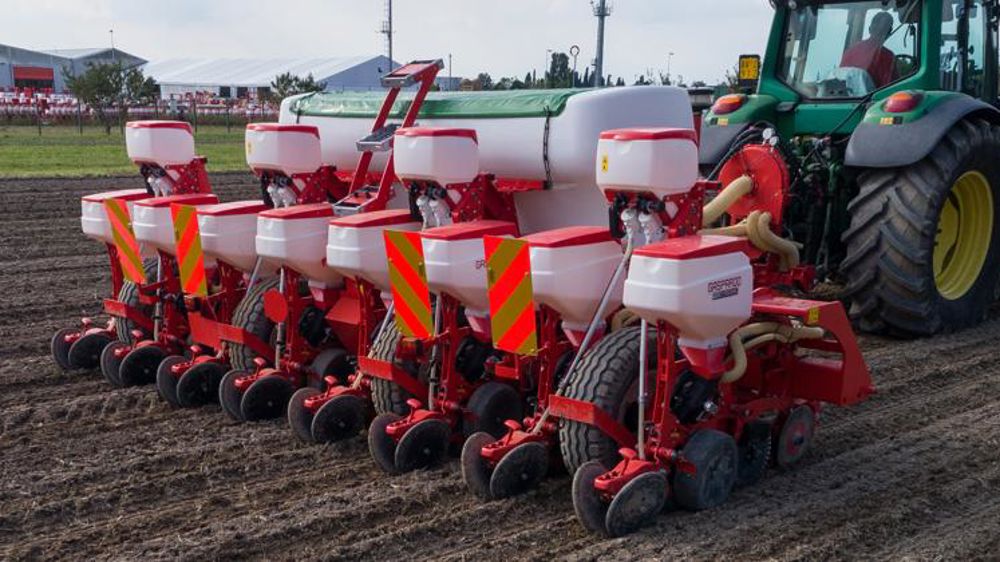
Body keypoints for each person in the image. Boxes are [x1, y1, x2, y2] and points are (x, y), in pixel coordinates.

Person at [840, 11, 897, 87]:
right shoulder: (887, 56)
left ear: (869, 29)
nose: (880, 34)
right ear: (889, 33)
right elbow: (891, 87)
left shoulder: (850, 51)